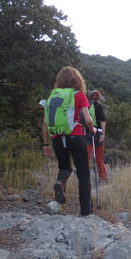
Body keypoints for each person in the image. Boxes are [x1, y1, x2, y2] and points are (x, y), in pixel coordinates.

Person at [42, 66, 96, 216]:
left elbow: (45, 123)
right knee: (83, 174)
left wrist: (46, 144)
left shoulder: (52, 96)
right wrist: (93, 130)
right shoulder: (79, 95)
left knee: (65, 167)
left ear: (59, 80)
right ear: (77, 80)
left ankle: (61, 183)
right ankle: (86, 211)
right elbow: (87, 119)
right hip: (76, 137)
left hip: (58, 138)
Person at [85, 90, 108, 182]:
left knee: (87, 157)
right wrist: (103, 133)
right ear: (98, 99)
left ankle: (85, 177)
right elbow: (103, 120)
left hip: (86, 134)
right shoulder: (99, 106)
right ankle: (102, 177)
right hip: (97, 134)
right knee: (99, 157)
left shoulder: (86, 106)